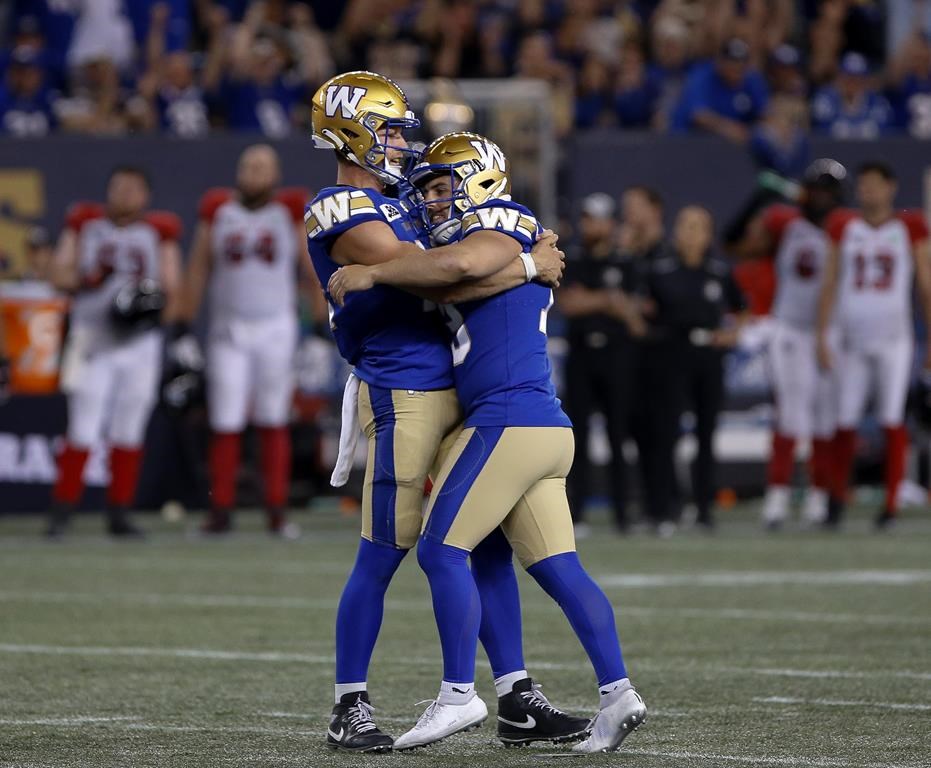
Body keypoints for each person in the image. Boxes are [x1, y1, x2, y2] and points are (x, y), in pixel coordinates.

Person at [328, 132, 647, 755]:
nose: (435, 201)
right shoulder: (482, 240)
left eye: (445, 186)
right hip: (539, 426)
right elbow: (450, 282)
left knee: (441, 551)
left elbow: (459, 269)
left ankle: (457, 693)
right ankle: (617, 693)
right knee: (555, 566)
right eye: (426, 190)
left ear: (480, 177)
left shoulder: (501, 219)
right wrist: (526, 266)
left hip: (507, 420)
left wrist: (372, 271)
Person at [305, 71, 584, 752]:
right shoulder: (337, 205)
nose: (401, 141)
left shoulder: (401, 196)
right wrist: (520, 262)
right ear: (350, 131)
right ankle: (350, 704)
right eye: (388, 128)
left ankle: (516, 696)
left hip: (459, 392)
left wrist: (494, 250)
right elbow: (429, 268)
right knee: (384, 550)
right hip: (400, 391)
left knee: (481, 546)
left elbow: (455, 259)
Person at [170, 144, 312, 536]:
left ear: (275, 173)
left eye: (261, 167)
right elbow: (198, 267)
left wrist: (319, 321)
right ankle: (221, 511)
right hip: (227, 329)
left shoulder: (290, 210)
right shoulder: (218, 210)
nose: (253, 172)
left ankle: (276, 510)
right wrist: (183, 318)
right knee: (225, 420)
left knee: (273, 418)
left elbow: (309, 266)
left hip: (275, 327)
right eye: (248, 165)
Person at [46, 165, 182, 537]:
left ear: (146, 196)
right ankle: (62, 511)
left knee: (129, 428)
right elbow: (59, 275)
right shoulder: (85, 224)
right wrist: (85, 279)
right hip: (93, 337)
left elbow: (172, 289)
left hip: (140, 343)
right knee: (82, 426)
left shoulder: (158, 232)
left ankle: (119, 512)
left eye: (133, 189)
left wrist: (149, 312)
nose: (125, 195)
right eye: (119, 187)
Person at [816, 162, 931, 529]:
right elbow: (830, 282)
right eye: (863, 185)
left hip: (894, 339)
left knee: (892, 419)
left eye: (875, 185)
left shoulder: (909, 226)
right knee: (844, 420)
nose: (868, 192)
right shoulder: (843, 225)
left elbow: (925, 285)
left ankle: (891, 505)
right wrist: (822, 334)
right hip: (851, 339)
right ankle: (835, 499)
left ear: (891, 188)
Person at [735, 159, 847, 528]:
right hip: (791, 329)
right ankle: (777, 500)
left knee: (824, 419)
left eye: (828, 191)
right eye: (817, 189)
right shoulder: (786, 224)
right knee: (789, 417)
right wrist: (755, 201)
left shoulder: (847, 229)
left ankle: (819, 497)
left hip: (830, 330)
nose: (821, 198)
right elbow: (735, 245)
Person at [641, 206, 747, 531]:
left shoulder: (718, 272)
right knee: (667, 432)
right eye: (685, 225)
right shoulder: (661, 271)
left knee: (706, 433)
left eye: (698, 226)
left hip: (709, 356)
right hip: (672, 354)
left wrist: (730, 334)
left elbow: (741, 309)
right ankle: (667, 507)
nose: (691, 233)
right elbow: (643, 309)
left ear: (708, 234)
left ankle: (704, 508)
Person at [557, 193, 645, 534]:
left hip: (617, 357)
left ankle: (624, 513)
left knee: (618, 433)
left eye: (596, 219)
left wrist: (598, 302)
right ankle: (576, 513)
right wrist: (609, 300)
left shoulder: (626, 262)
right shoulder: (574, 259)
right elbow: (570, 305)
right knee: (574, 436)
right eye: (587, 218)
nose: (590, 225)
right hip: (582, 355)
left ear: (610, 223)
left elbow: (636, 315)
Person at [670, 37, 769, 143]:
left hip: (730, 144)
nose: (736, 69)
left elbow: (766, 113)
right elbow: (698, 115)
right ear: (720, 61)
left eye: (740, 65)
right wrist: (728, 128)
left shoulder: (751, 79)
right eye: (731, 63)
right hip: (689, 140)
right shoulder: (702, 75)